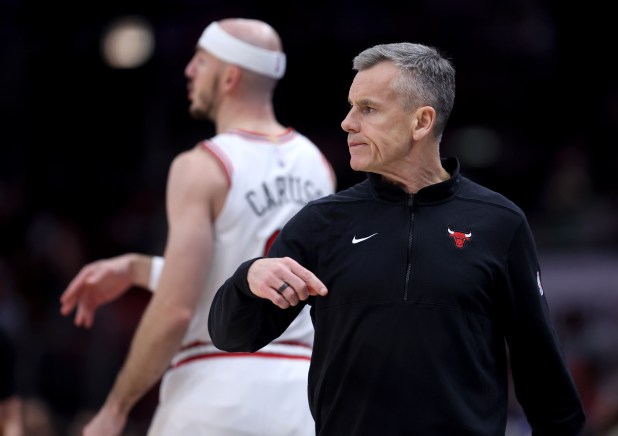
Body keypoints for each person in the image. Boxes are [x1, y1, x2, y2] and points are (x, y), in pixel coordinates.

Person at [208, 42, 587, 435]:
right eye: (351, 107)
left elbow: (541, 370)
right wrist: (247, 279)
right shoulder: (321, 223)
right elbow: (233, 336)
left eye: (368, 109)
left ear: (422, 122)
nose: (347, 122)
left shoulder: (499, 223)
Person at [59, 18, 336, 436]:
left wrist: (116, 408)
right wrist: (138, 268)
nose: (189, 71)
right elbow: (247, 273)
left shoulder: (202, 166)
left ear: (230, 77)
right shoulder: (319, 165)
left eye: (200, 61)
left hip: (214, 388)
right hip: (303, 396)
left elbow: (178, 306)